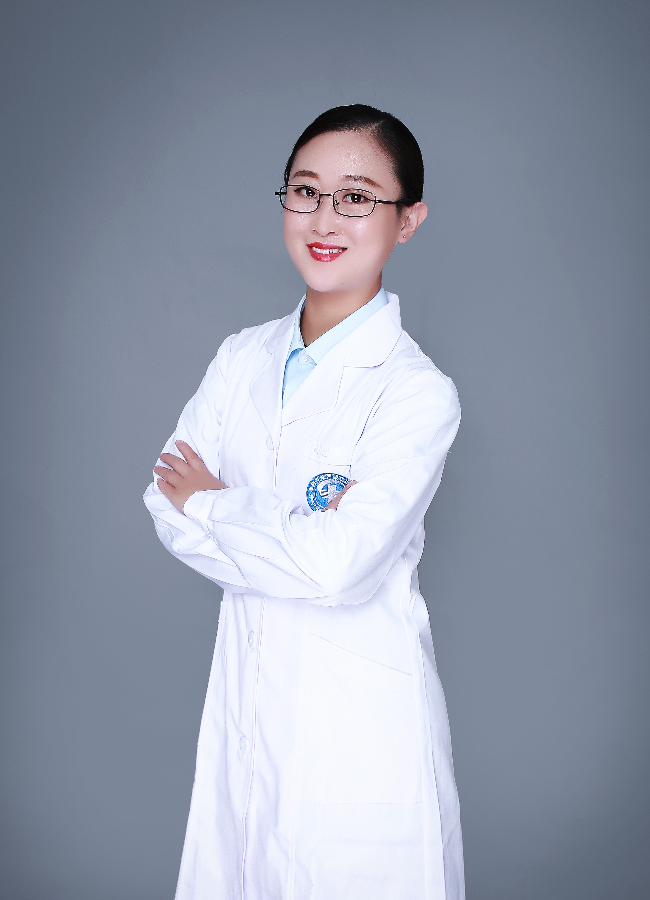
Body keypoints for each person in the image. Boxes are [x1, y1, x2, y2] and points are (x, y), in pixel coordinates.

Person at [144, 104, 465, 900]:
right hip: (246, 709)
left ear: (408, 220)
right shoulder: (240, 358)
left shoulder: (416, 393)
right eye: (305, 191)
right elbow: (163, 505)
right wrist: (282, 536)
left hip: (359, 731)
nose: (324, 219)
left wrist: (216, 508)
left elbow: (339, 568)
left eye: (356, 197)